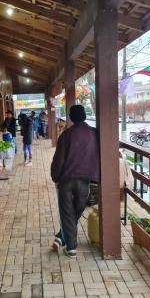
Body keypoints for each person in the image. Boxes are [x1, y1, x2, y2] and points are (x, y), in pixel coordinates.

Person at [50, 105, 100, 258]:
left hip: (66, 181)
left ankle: (70, 247)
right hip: (86, 181)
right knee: (75, 212)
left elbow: (59, 159)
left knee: (67, 213)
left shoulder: (66, 135)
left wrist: (55, 177)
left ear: (70, 117)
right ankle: (62, 237)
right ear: (85, 116)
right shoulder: (95, 133)